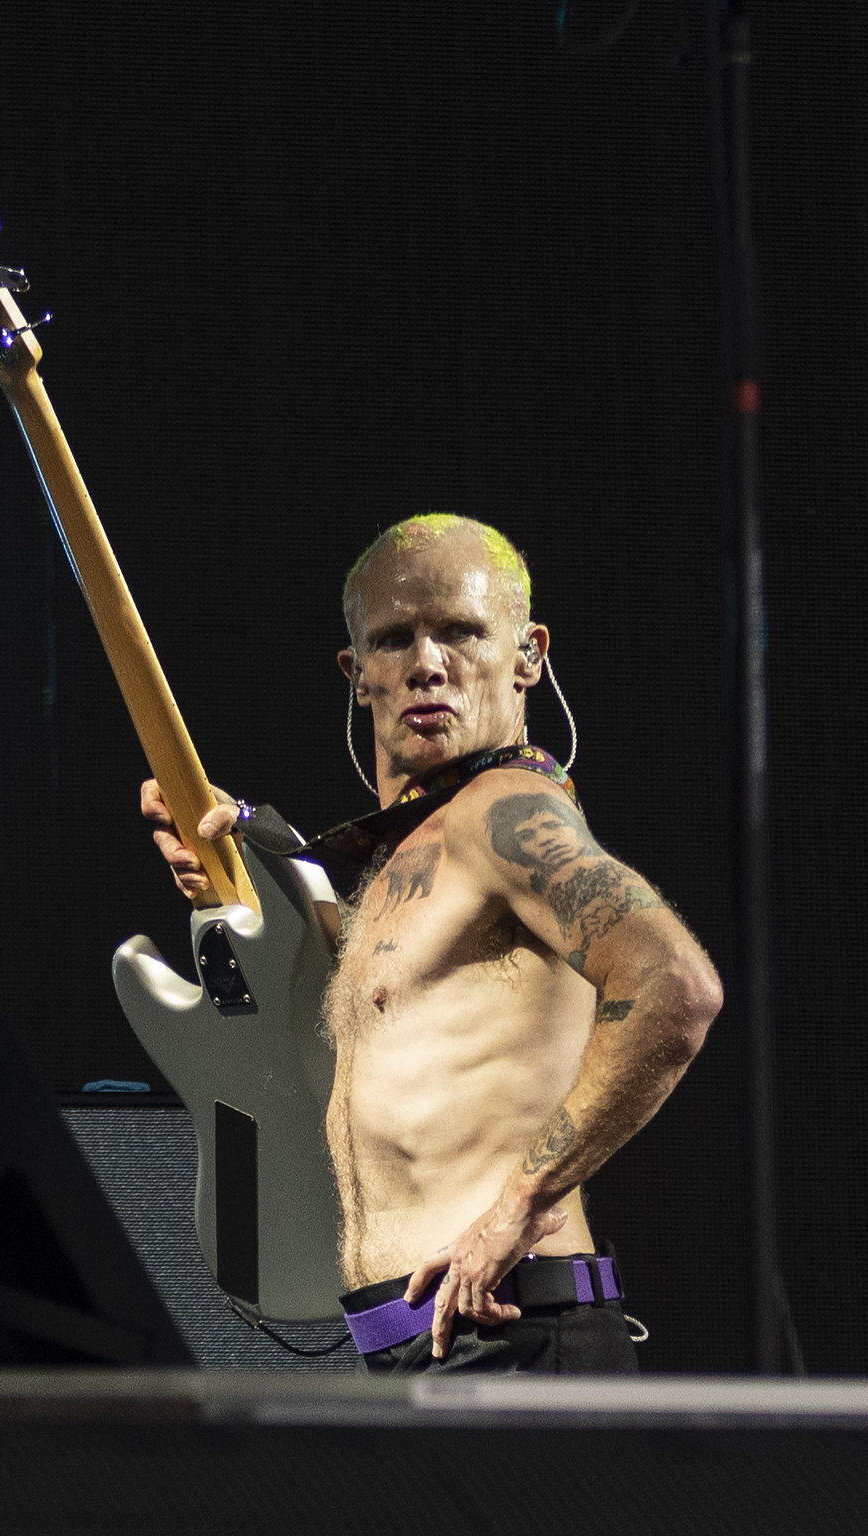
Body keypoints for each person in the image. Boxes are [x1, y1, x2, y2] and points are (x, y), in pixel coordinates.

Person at [141, 514, 721, 1372]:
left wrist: (520, 1204)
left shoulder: (502, 811)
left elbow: (673, 982)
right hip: (420, 1344)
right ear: (356, 675)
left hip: (509, 1336)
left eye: (460, 631)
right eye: (393, 638)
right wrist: (236, 870)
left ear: (527, 657)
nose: (426, 663)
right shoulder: (406, 858)